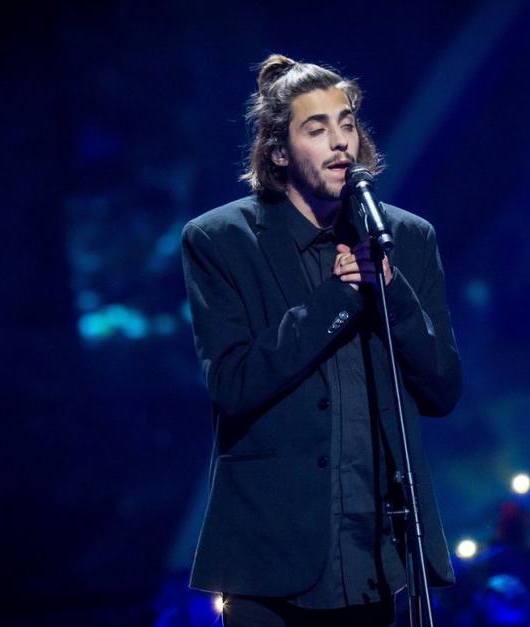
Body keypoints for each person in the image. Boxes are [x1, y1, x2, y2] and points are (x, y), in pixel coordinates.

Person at [180, 53, 462, 626]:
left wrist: (392, 291)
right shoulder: (220, 241)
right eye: (316, 128)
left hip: (377, 550)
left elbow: (442, 389)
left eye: (347, 124)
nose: (339, 142)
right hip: (269, 556)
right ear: (279, 152)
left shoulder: (407, 238)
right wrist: (337, 298)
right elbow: (232, 383)